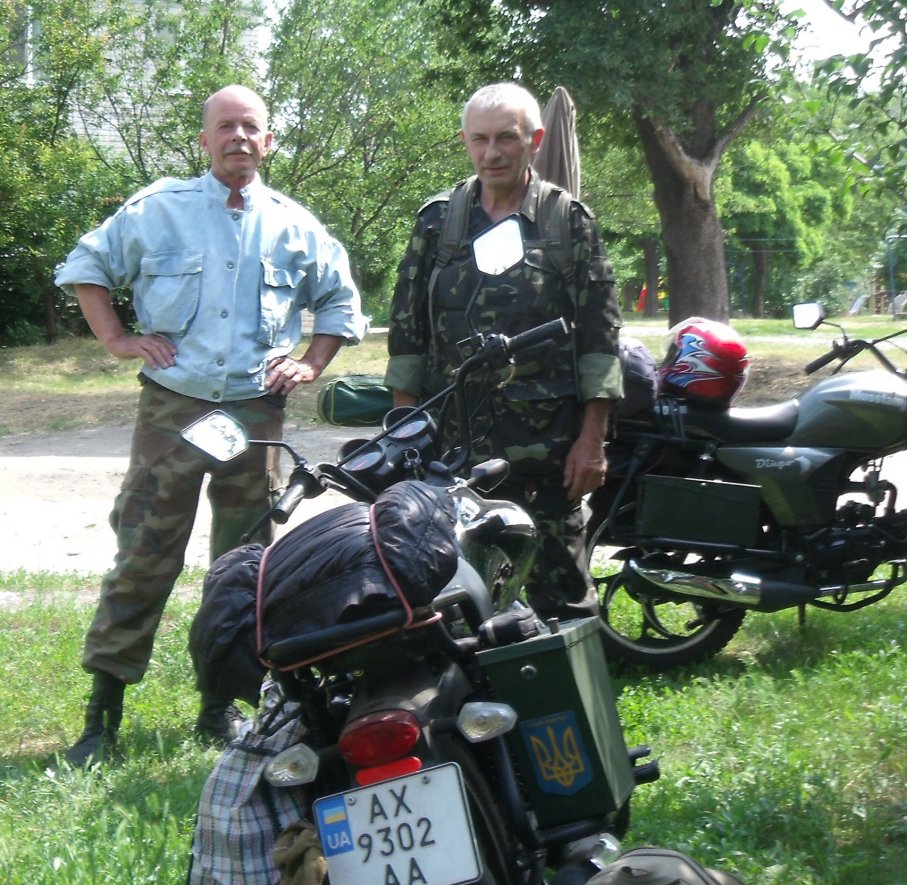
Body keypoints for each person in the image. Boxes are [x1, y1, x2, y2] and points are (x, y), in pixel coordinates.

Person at [54, 84, 365, 766]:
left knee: (245, 564)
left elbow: (341, 303)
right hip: (173, 409)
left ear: (268, 141)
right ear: (204, 139)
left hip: (255, 415)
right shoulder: (158, 209)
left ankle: (220, 704)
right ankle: (103, 713)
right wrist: (118, 339)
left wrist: (311, 362)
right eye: (225, 126)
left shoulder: (295, 226)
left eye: (251, 127)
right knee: (144, 552)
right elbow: (86, 267)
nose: (238, 137)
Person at [385, 82, 622, 623]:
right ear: (466, 142)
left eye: (507, 138)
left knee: (563, 597)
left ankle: (570, 675)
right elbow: (407, 335)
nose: (492, 153)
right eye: (480, 139)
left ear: (535, 140)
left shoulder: (567, 222)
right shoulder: (438, 222)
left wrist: (591, 441)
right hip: (452, 449)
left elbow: (599, 339)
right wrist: (405, 438)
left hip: (546, 452)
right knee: (449, 593)